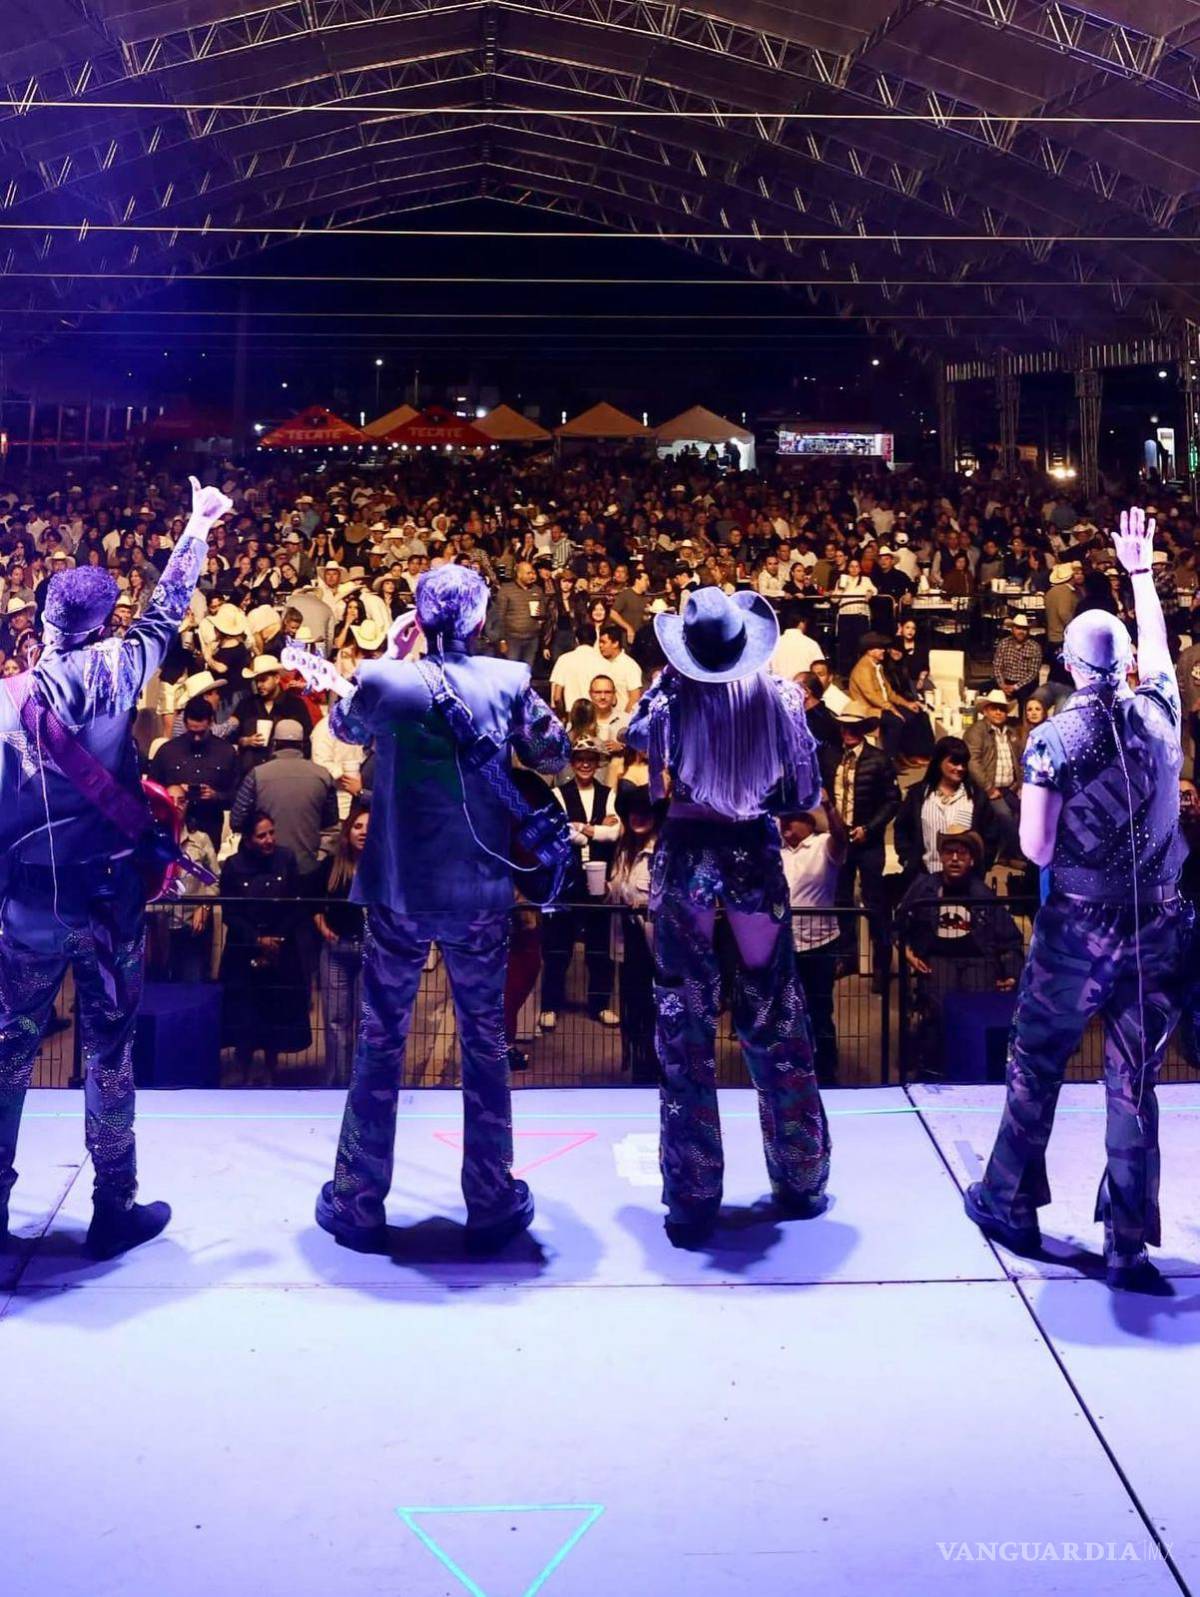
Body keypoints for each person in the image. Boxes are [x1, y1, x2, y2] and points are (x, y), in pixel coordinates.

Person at [0, 477, 231, 1258]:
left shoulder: (5, 700)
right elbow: (168, 609)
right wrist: (196, 525)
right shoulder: (117, 673)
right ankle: (112, 1207)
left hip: (27, 913)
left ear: (42, 620)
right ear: (104, 623)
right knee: (109, 1054)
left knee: (6, 1057)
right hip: (108, 910)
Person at [966, 508, 1190, 1295]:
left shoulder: (1055, 738)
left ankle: (1009, 1201)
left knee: (1036, 1058)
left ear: (1064, 662)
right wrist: (1140, 574)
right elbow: (1159, 651)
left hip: (1079, 928)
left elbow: (1032, 847)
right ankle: (1128, 1242)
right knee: (1135, 1082)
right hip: (1159, 924)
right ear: (1126, 664)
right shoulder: (1163, 716)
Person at [316, 565, 570, 1254]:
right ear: (483, 619)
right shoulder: (509, 681)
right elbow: (558, 755)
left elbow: (339, 722)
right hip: (479, 895)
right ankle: (490, 1200)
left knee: (379, 1040)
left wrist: (392, 657)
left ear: (419, 620)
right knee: (484, 1045)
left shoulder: (382, 679)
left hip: (397, 891)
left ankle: (358, 1199)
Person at [625, 586, 830, 1244]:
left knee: (685, 1024)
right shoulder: (782, 700)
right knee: (774, 1012)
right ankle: (799, 1174)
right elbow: (802, 792)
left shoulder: (672, 699)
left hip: (687, 860)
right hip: (751, 854)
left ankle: (692, 1193)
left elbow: (642, 757)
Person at [898, 829, 1023, 1073]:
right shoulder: (924, 888)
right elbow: (898, 925)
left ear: (972, 860)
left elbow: (1010, 939)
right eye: (949, 852)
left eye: (962, 854)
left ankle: (975, 1070)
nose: (955, 858)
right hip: (937, 958)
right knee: (938, 1010)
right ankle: (935, 1070)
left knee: (975, 1013)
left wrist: (1011, 971)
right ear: (941, 857)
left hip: (977, 960)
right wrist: (907, 953)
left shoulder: (983, 894)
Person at [218, 811, 312, 1085]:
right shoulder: (233, 866)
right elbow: (231, 912)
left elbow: (296, 903)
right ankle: (244, 1071)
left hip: (281, 950)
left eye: (271, 832)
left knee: (275, 1015)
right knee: (245, 1017)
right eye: (262, 835)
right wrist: (257, 940)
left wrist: (276, 939)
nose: (269, 839)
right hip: (244, 951)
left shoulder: (286, 858)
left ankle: (272, 1071)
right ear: (248, 839)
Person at [819, 703, 901, 991]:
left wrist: (870, 828)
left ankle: (881, 962)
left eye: (854, 727)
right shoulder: (829, 756)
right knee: (840, 898)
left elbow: (893, 800)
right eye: (845, 726)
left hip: (868, 840)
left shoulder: (878, 760)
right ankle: (846, 955)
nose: (848, 732)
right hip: (839, 840)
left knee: (875, 900)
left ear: (863, 730)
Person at [541, 739, 620, 1029]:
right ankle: (550, 1005)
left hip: (599, 884)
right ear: (571, 763)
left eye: (590, 758)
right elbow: (558, 832)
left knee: (599, 947)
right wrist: (597, 829)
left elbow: (614, 834)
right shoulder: (557, 795)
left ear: (598, 762)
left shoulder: (609, 794)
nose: (585, 764)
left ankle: (599, 1005)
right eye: (579, 759)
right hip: (565, 881)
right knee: (557, 946)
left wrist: (582, 828)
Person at [781, 795, 848, 1086]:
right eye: (783, 816)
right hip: (784, 944)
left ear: (808, 821)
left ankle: (826, 1071)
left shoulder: (823, 846)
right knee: (786, 1010)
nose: (785, 822)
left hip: (820, 942)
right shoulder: (776, 852)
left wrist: (829, 807)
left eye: (792, 817)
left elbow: (842, 839)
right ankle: (791, 1068)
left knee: (820, 1010)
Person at [230, 718, 340, 893]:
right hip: (308, 866)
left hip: (264, 867)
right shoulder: (323, 775)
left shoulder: (257, 774)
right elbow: (331, 822)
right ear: (303, 745)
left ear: (274, 744)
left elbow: (236, 820)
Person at [607, 784, 667, 1082]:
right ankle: (640, 1068)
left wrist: (645, 904)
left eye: (645, 811)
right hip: (628, 945)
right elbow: (618, 888)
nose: (638, 817)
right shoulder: (623, 849)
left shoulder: (662, 853)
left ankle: (657, 1069)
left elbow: (675, 899)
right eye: (634, 811)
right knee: (633, 1007)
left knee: (655, 1010)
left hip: (656, 948)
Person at [314, 806, 369, 1086]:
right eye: (358, 827)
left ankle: (362, 1083)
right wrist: (321, 925)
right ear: (348, 832)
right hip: (336, 950)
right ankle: (337, 1082)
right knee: (336, 1020)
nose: (364, 832)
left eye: (369, 827)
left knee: (365, 1022)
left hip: (371, 953)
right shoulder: (331, 865)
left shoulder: (383, 868)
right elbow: (311, 899)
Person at [895, 736, 995, 883]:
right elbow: (902, 829)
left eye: (963, 764)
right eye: (954, 762)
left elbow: (991, 835)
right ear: (939, 762)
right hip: (925, 877)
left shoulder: (976, 797)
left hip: (967, 881)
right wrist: (907, 860)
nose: (960, 768)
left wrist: (982, 865)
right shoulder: (917, 795)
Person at [148, 694, 240, 851]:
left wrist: (215, 795)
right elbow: (151, 792)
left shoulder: (226, 752)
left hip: (209, 825)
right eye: (192, 732)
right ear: (184, 723)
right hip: (172, 828)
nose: (196, 738)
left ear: (211, 722)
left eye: (201, 733)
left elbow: (237, 795)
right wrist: (173, 794)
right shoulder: (168, 751)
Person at [965, 689, 1022, 861]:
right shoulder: (976, 731)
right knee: (1005, 816)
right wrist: (989, 788)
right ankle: (1014, 854)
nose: (998, 712)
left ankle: (1003, 853)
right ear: (985, 710)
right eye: (994, 708)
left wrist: (1019, 783)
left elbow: (1019, 760)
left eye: (1002, 709)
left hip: (1009, 788)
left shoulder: (1011, 733)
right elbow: (972, 761)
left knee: (1026, 813)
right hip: (987, 788)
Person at [992, 614, 1042, 713]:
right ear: (1012, 629)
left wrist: (1015, 687)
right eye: (1018, 628)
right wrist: (1002, 684)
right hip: (1006, 681)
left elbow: (1033, 673)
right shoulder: (1004, 643)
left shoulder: (1035, 647)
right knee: (989, 692)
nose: (1021, 632)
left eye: (1024, 629)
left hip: (1025, 683)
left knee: (1025, 699)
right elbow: (997, 666)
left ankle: (1024, 725)